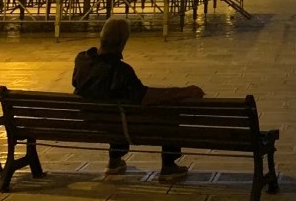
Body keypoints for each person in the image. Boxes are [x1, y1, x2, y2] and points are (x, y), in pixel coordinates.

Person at [72, 18, 205, 181]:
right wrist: (183, 91)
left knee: (117, 110)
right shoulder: (122, 71)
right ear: (123, 42)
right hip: (120, 124)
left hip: (90, 121)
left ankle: (114, 160)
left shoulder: (81, 61)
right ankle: (169, 165)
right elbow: (144, 97)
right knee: (168, 112)